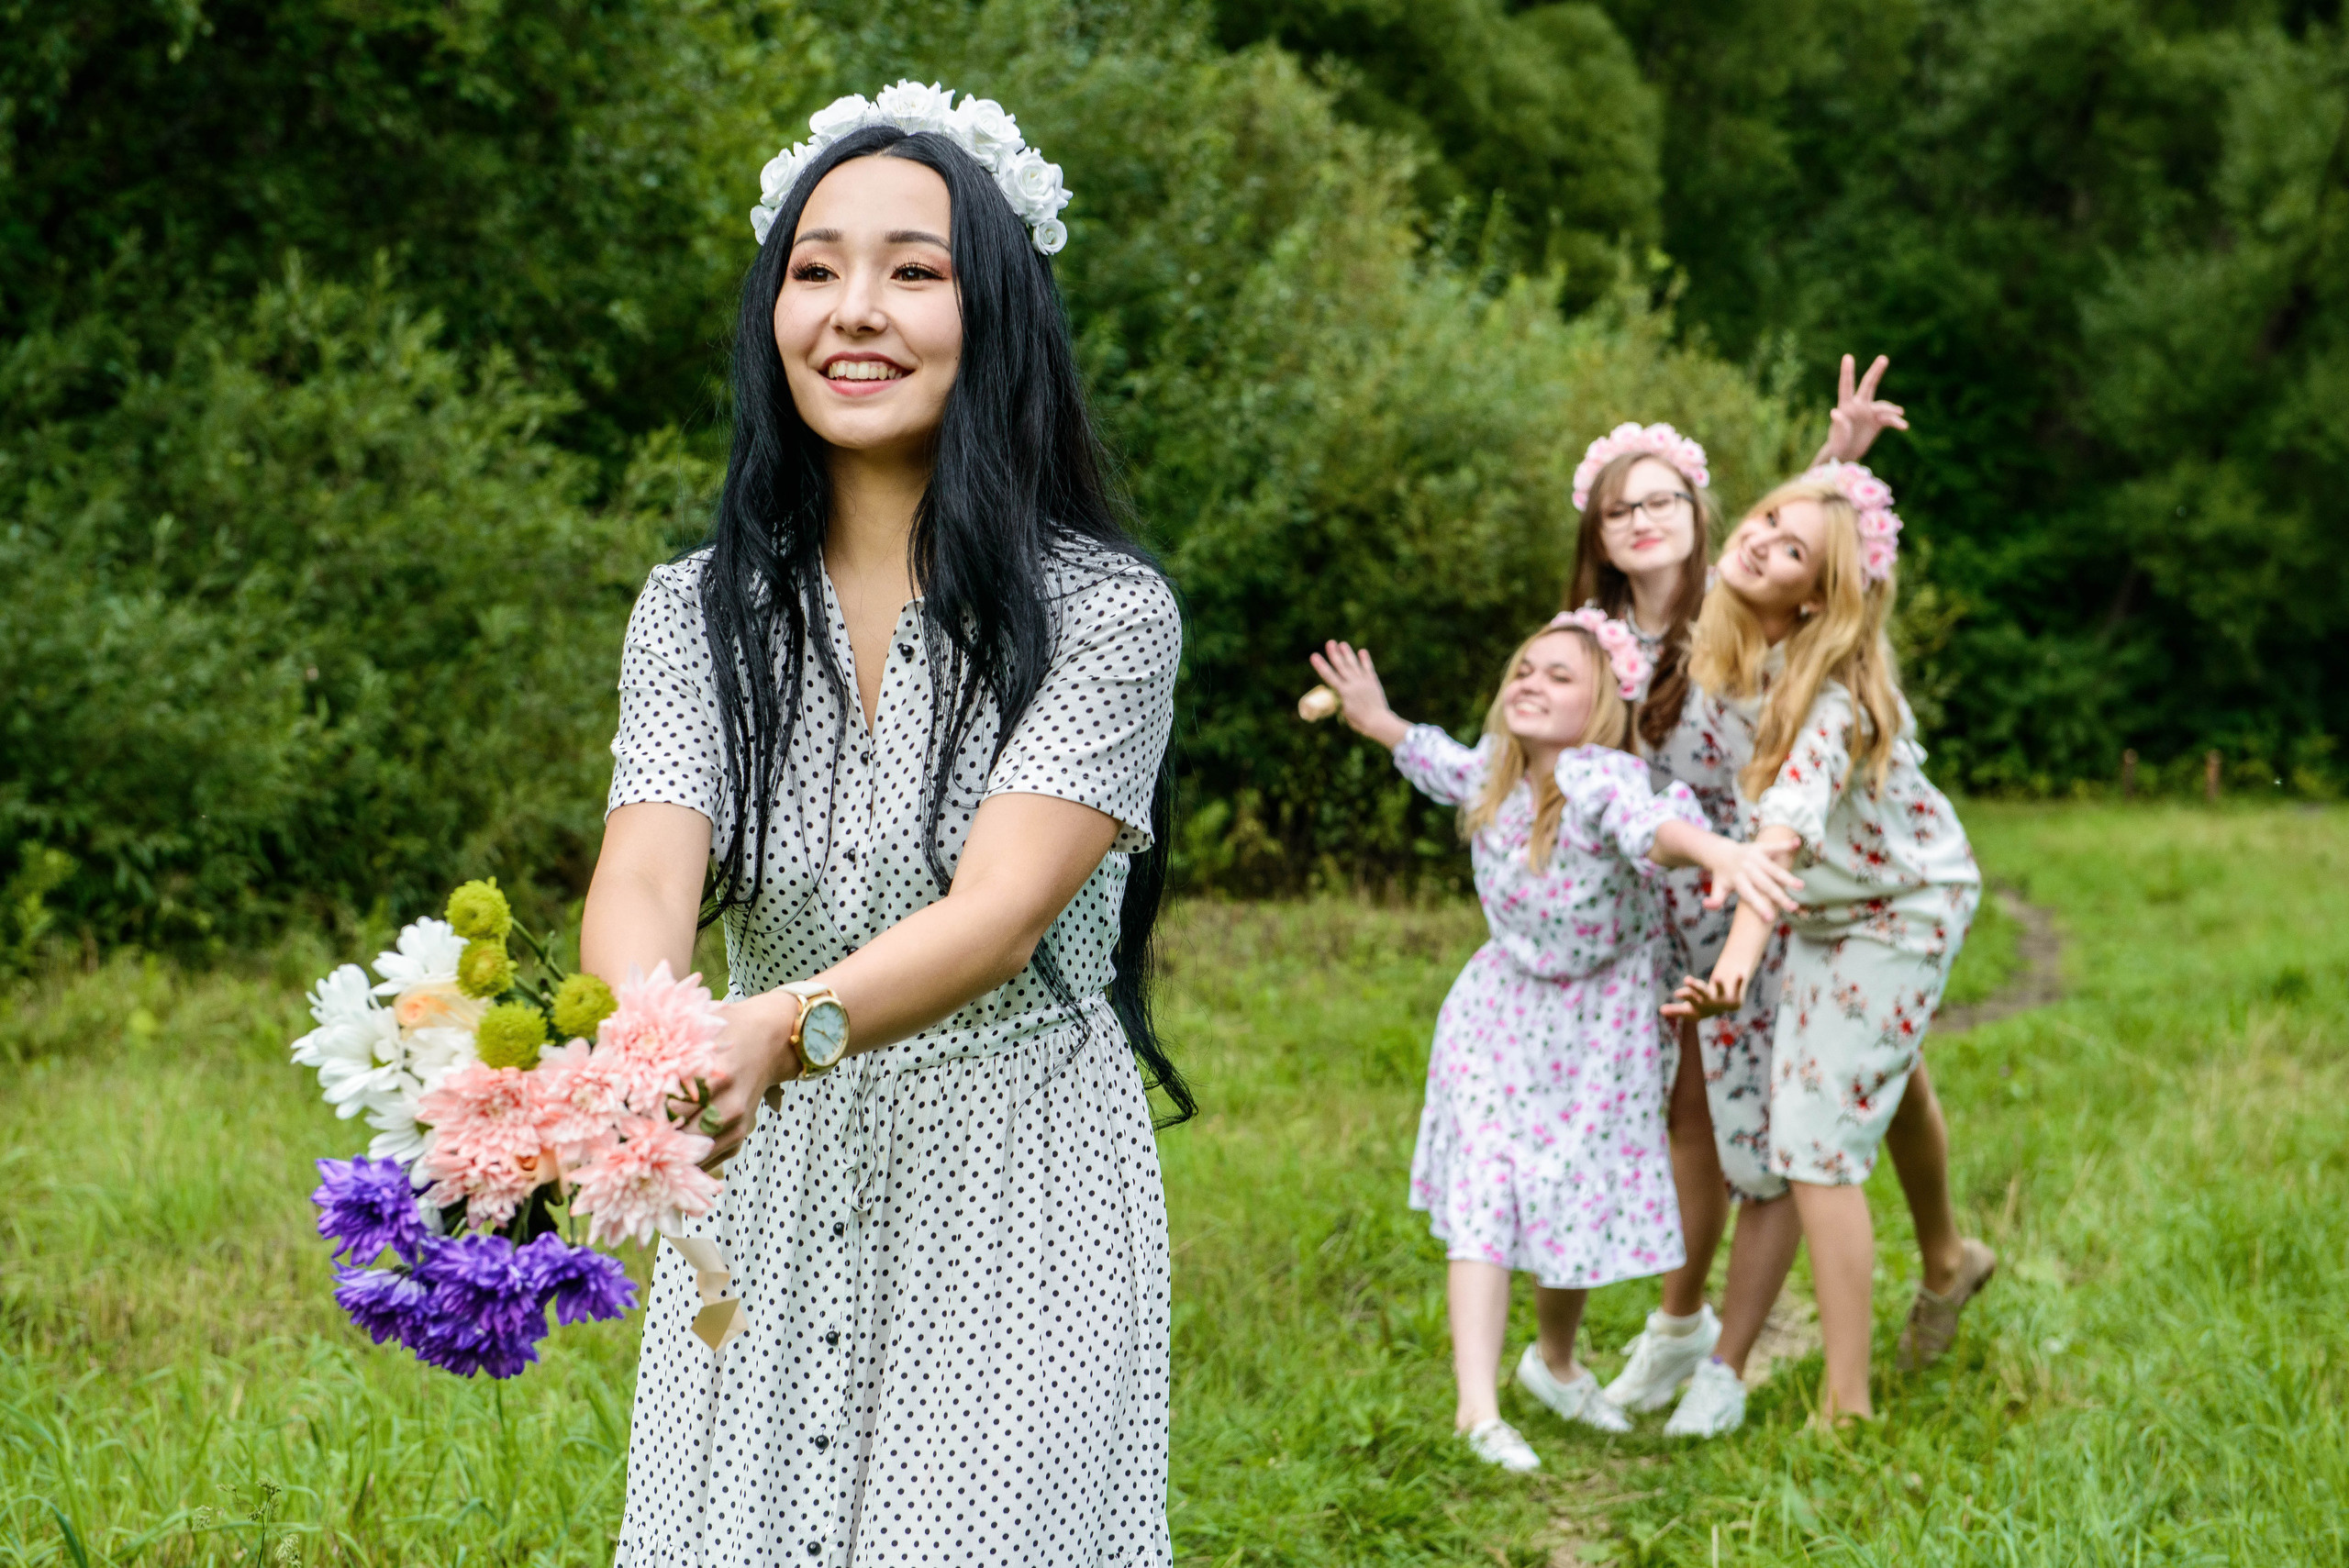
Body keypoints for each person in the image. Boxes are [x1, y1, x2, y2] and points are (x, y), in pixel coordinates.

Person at [578, 83, 1185, 1566]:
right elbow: (646, 868)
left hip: (1016, 1182)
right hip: (766, 1179)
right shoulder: (695, 610)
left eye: (914, 269)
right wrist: (656, 1046)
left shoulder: (1106, 615)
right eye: (816, 268)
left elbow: (1001, 913)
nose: (855, 309)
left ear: (997, 313)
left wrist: (777, 1029)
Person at [1563, 364, 1975, 1438]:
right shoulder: (1627, 636)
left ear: (1696, 509)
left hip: (1856, 886)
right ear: (1595, 532)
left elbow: (1804, 555)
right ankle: (1938, 1258)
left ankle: (1826, 1394)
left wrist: (1836, 461)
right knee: (1855, 1067)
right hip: (1758, 893)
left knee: (1812, 1123)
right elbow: (1783, 544)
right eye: (1619, 507)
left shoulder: (1784, 650)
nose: (1642, 519)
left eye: (1662, 499)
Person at [1306, 613, 1800, 1472]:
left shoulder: (1600, 776)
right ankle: (1477, 1410)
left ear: (1601, 704)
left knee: (1566, 1192)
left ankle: (1557, 1363)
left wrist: (1720, 849)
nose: (1531, 681)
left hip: (1602, 1025)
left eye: (1559, 675)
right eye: (1524, 669)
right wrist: (1376, 717)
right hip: (1499, 1012)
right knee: (1488, 1187)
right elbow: (1430, 754)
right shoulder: (1491, 773)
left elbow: (1651, 827)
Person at [1669, 462, 1995, 1427]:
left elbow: (1784, 831)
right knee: (1873, 1074)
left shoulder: (1833, 696)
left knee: (1813, 1139)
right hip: (1827, 909)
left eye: (1792, 549)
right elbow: (1750, 542)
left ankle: (1845, 1409)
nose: (1760, 539)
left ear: (1815, 596)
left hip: (1902, 904)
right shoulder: (1741, 639)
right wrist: (1835, 459)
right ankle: (1949, 1261)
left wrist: (1735, 961)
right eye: (1766, 518)